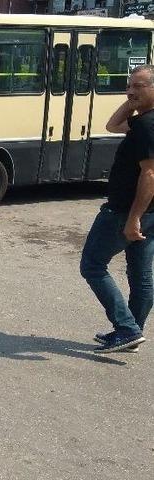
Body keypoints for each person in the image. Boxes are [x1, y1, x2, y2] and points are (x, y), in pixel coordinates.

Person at [80, 64, 154, 354]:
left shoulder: (147, 126)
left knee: (92, 266)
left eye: (139, 86)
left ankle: (127, 329)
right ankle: (132, 334)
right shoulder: (143, 121)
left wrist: (132, 218)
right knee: (141, 275)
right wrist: (135, 99)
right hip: (147, 213)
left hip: (126, 212)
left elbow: (150, 175)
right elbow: (113, 125)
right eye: (128, 85)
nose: (130, 91)